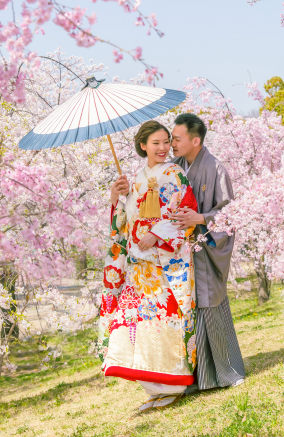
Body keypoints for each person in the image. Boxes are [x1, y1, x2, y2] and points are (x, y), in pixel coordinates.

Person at [98, 120, 198, 412]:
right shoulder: (137, 178)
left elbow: (186, 212)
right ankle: (154, 387)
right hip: (138, 268)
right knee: (137, 325)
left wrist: (156, 234)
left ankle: (173, 385)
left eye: (167, 142)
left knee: (166, 321)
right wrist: (119, 196)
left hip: (165, 263)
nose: (164, 148)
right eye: (156, 143)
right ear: (143, 146)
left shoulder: (175, 174)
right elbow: (124, 224)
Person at [170, 112, 245, 393]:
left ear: (195, 140)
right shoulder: (173, 167)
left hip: (205, 249)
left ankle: (225, 372)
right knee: (185, 311)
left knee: (210, 306)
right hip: (178, 253)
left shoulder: (215, 168)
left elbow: (230, 213)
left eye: (177, 139)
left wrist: (199, 219)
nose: (172, 143)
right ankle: (192, 377)